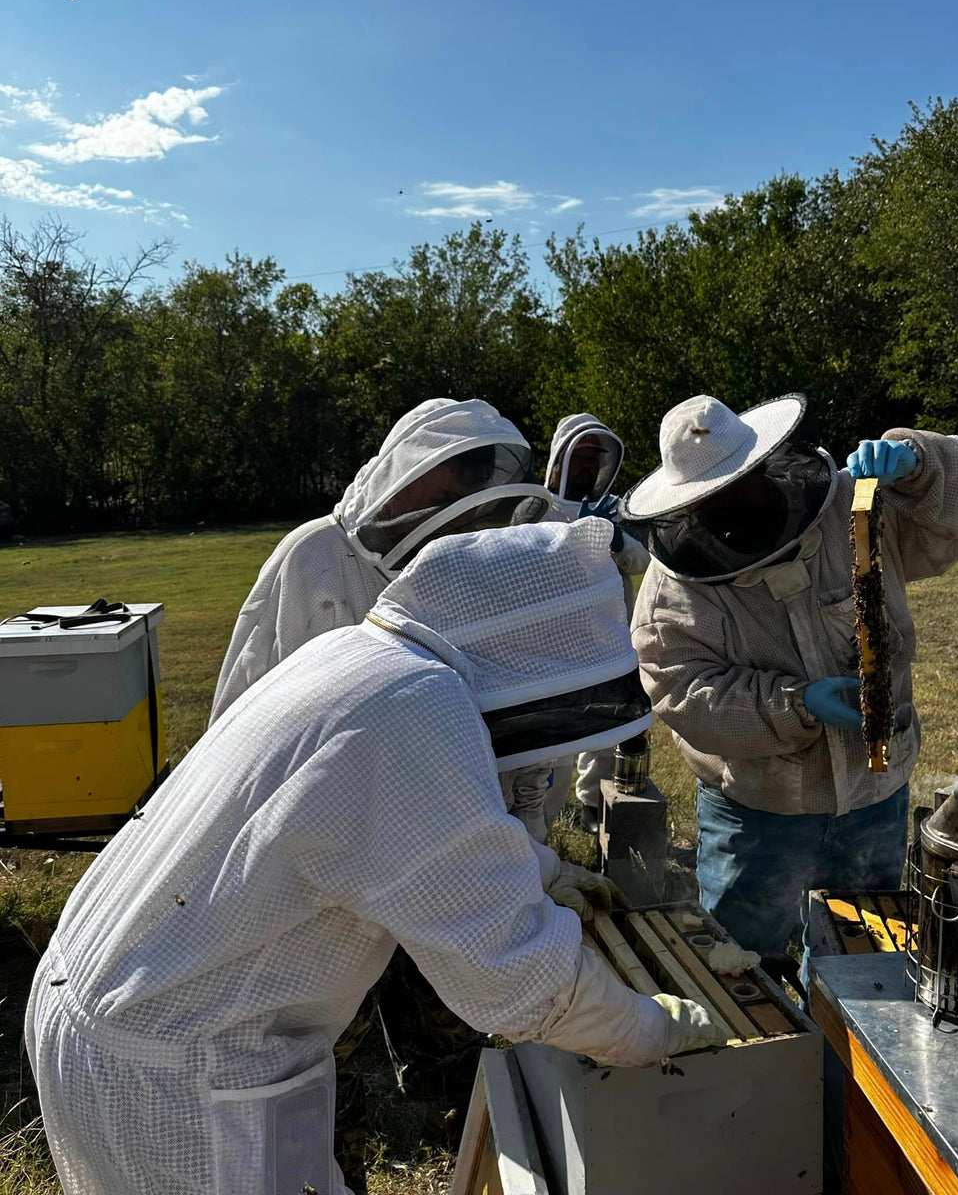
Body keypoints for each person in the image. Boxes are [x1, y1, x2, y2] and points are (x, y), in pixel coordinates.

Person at [26, 518, 724, 1195]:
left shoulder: (359, 659)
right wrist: (651, 1029)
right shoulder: (415, 712)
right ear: (536, 654)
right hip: (172, 1069)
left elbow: (399, 842)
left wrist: (548, 873)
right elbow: (524, 985)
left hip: (98, 1003)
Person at [623, 393, 958, 966]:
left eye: (740, 485)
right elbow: (682, 692)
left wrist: (919, 466)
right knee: (746, 965)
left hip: (876, 793)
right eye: (711, 500)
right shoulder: (675, 588)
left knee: (869, 960)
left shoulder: (851, 507)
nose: (730, 504)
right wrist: (797, 705)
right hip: (757, 810)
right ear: (686, 507)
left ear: (767, 465)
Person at [209, 397, 552, 725]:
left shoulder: (457, 568)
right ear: (401, 475)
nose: (457, 517)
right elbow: (245, 692)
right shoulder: (313, 554)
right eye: (445, 499)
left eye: (470, 502)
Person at [534, 414, 652, 835]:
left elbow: (641, 562)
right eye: (581, 457)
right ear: (560, 459)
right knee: (553, 747)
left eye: (595, 459)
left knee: (603, 728)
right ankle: (541, 828)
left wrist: (614, 535)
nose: (588, 467)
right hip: (550, 644)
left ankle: (591, 808)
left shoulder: (612, 508)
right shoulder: (533, 507)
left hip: (603, 637)